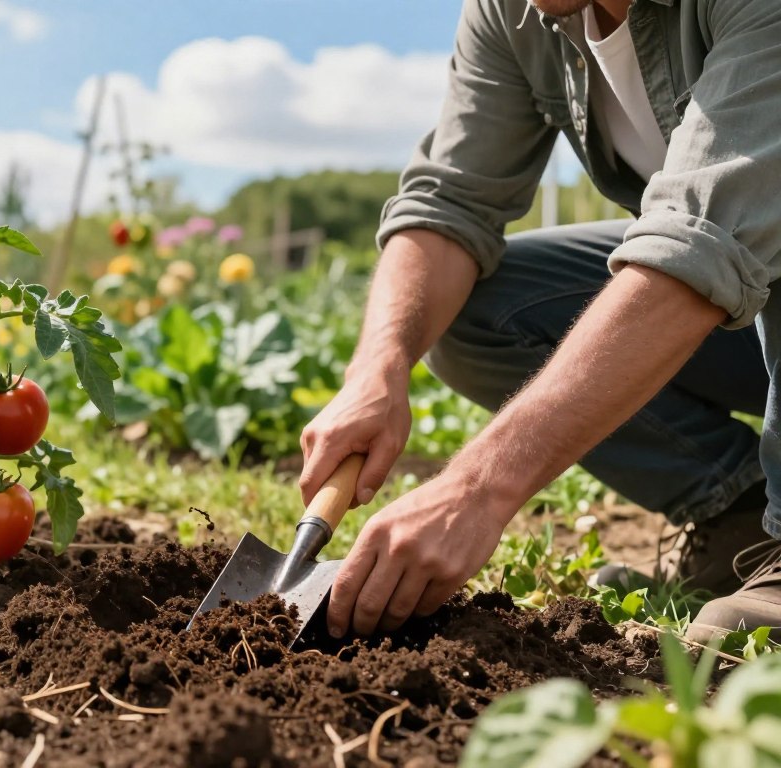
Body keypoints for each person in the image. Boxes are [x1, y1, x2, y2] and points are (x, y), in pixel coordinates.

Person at [299, 0, 781, 642]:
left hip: (740, 260)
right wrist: (375, 370)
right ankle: (739, 514)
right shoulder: (511, 13)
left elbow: (704, 244)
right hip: (746, 311)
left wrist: (478, 488)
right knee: (480, 309)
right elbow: (451, 203)